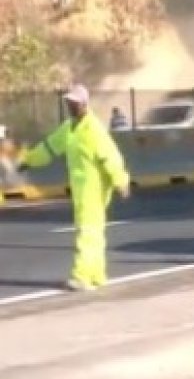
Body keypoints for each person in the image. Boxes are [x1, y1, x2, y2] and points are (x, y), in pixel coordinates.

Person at [17, 84, 130, 291]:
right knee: (94, 232)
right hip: (81, 189)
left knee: (86, 231)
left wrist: (120, 181)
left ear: (84, 104)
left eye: (75, 103)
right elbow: (50, 147)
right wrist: (30, 160)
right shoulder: (69, 128)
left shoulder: (94, 130)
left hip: (94, 189)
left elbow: (111, 157)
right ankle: (97, 275)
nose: (71, 106)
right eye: (69, 102)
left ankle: (82, 277)